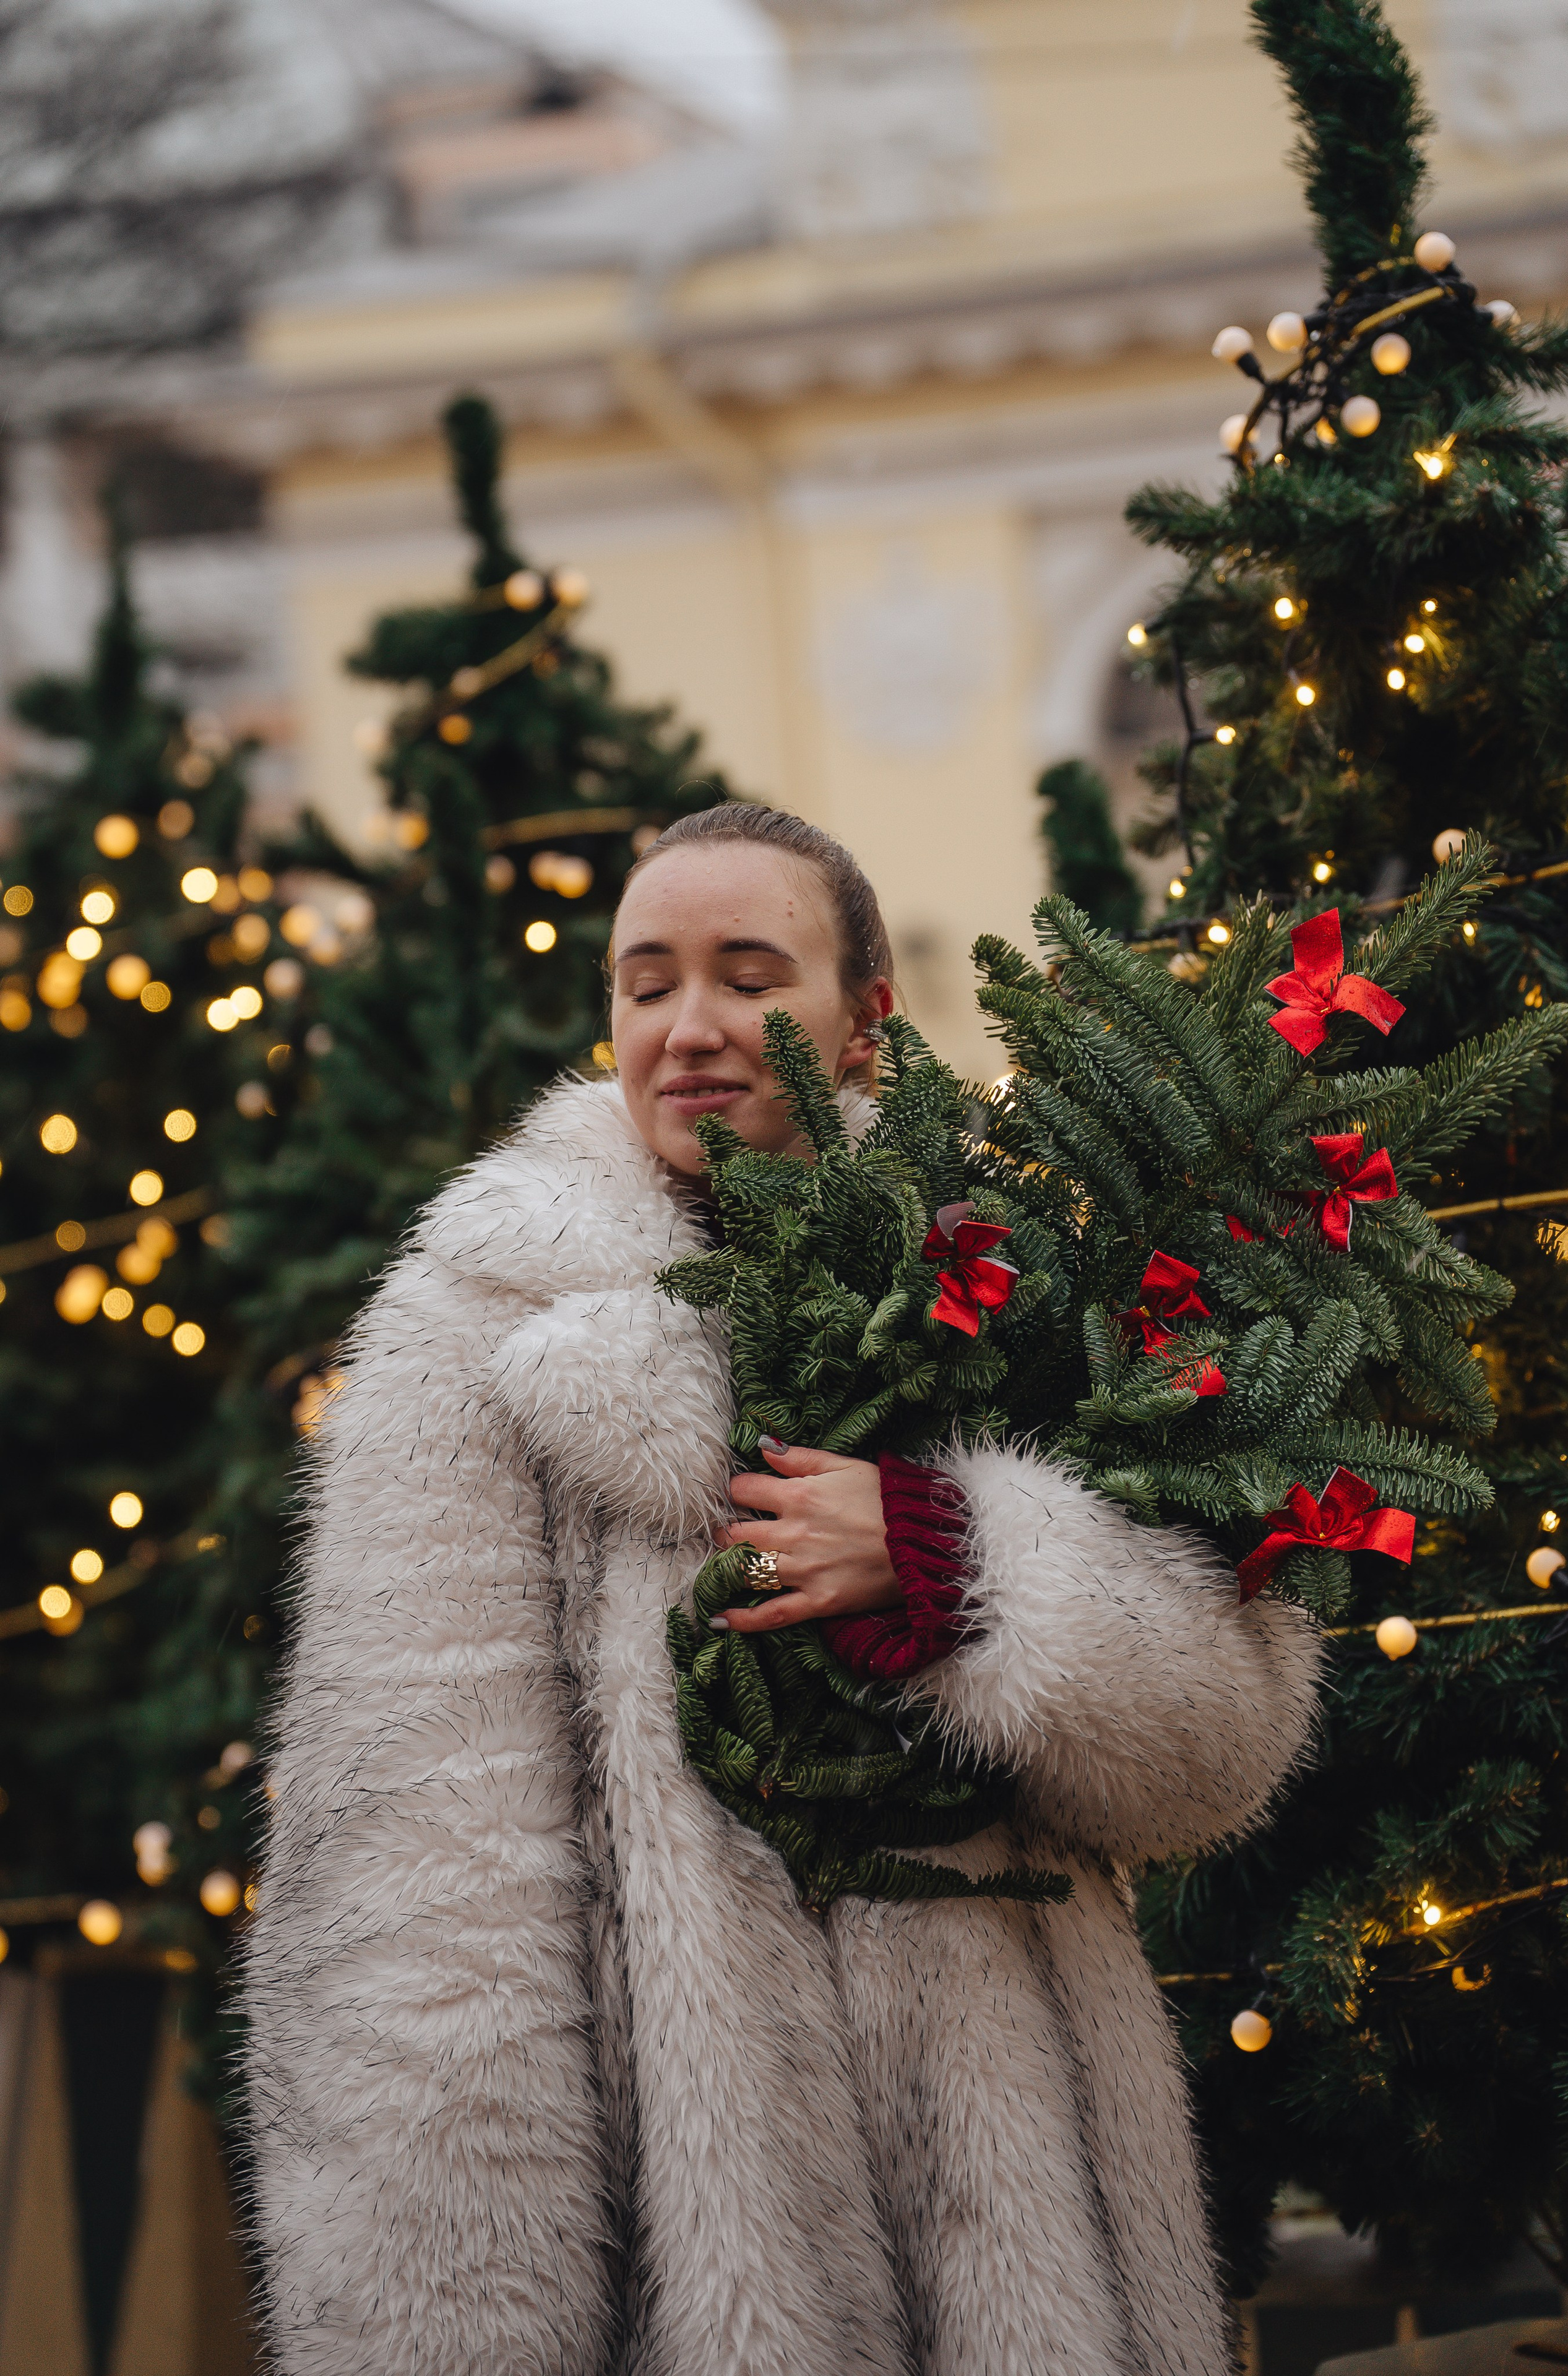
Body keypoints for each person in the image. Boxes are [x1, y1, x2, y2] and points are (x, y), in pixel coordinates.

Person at [245, 803, 1319, 2376]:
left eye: (750, 977)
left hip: (1023, 2226)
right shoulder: (472, 1336)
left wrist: (952, 1561)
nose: (689, 1030)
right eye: (645, 982)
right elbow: (416, 1899)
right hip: (685, 2241)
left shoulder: (1010, 1281)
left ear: (863, 1022)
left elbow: (1216, 1755)